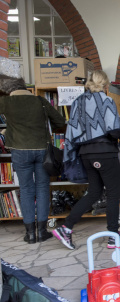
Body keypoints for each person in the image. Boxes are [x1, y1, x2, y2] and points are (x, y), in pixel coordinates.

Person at [53, 70, 120, 250]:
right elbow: (114, 129)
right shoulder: (107, 101)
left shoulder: (77, 102)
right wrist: (119, 138)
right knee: (114, 194)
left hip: (86, 154)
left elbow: (72, 130)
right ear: (105, 85)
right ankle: (114, 236)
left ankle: (66, 227)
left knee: (94, 192)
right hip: (105, 153)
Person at [0, 76, 65, 244]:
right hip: (42, 150)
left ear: (8, 90)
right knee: (42, 188)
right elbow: (60, 121)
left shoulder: (5, 102)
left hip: (20, 151)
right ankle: (42, 231)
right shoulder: (40, 101)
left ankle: (30, 234)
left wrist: (7, 131)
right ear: (25, 87)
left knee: (26, 189)